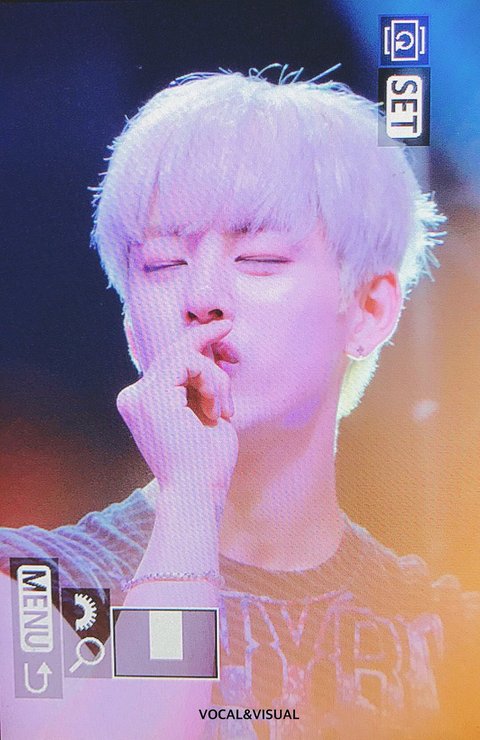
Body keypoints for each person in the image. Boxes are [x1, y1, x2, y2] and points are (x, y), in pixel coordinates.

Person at [0, 64, 478, 739]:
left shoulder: (448, 635)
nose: (202, 297)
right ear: (131, 324)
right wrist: (190, 497)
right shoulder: (33, 587)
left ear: (370, 310)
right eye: (163, 264)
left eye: (259, 259)